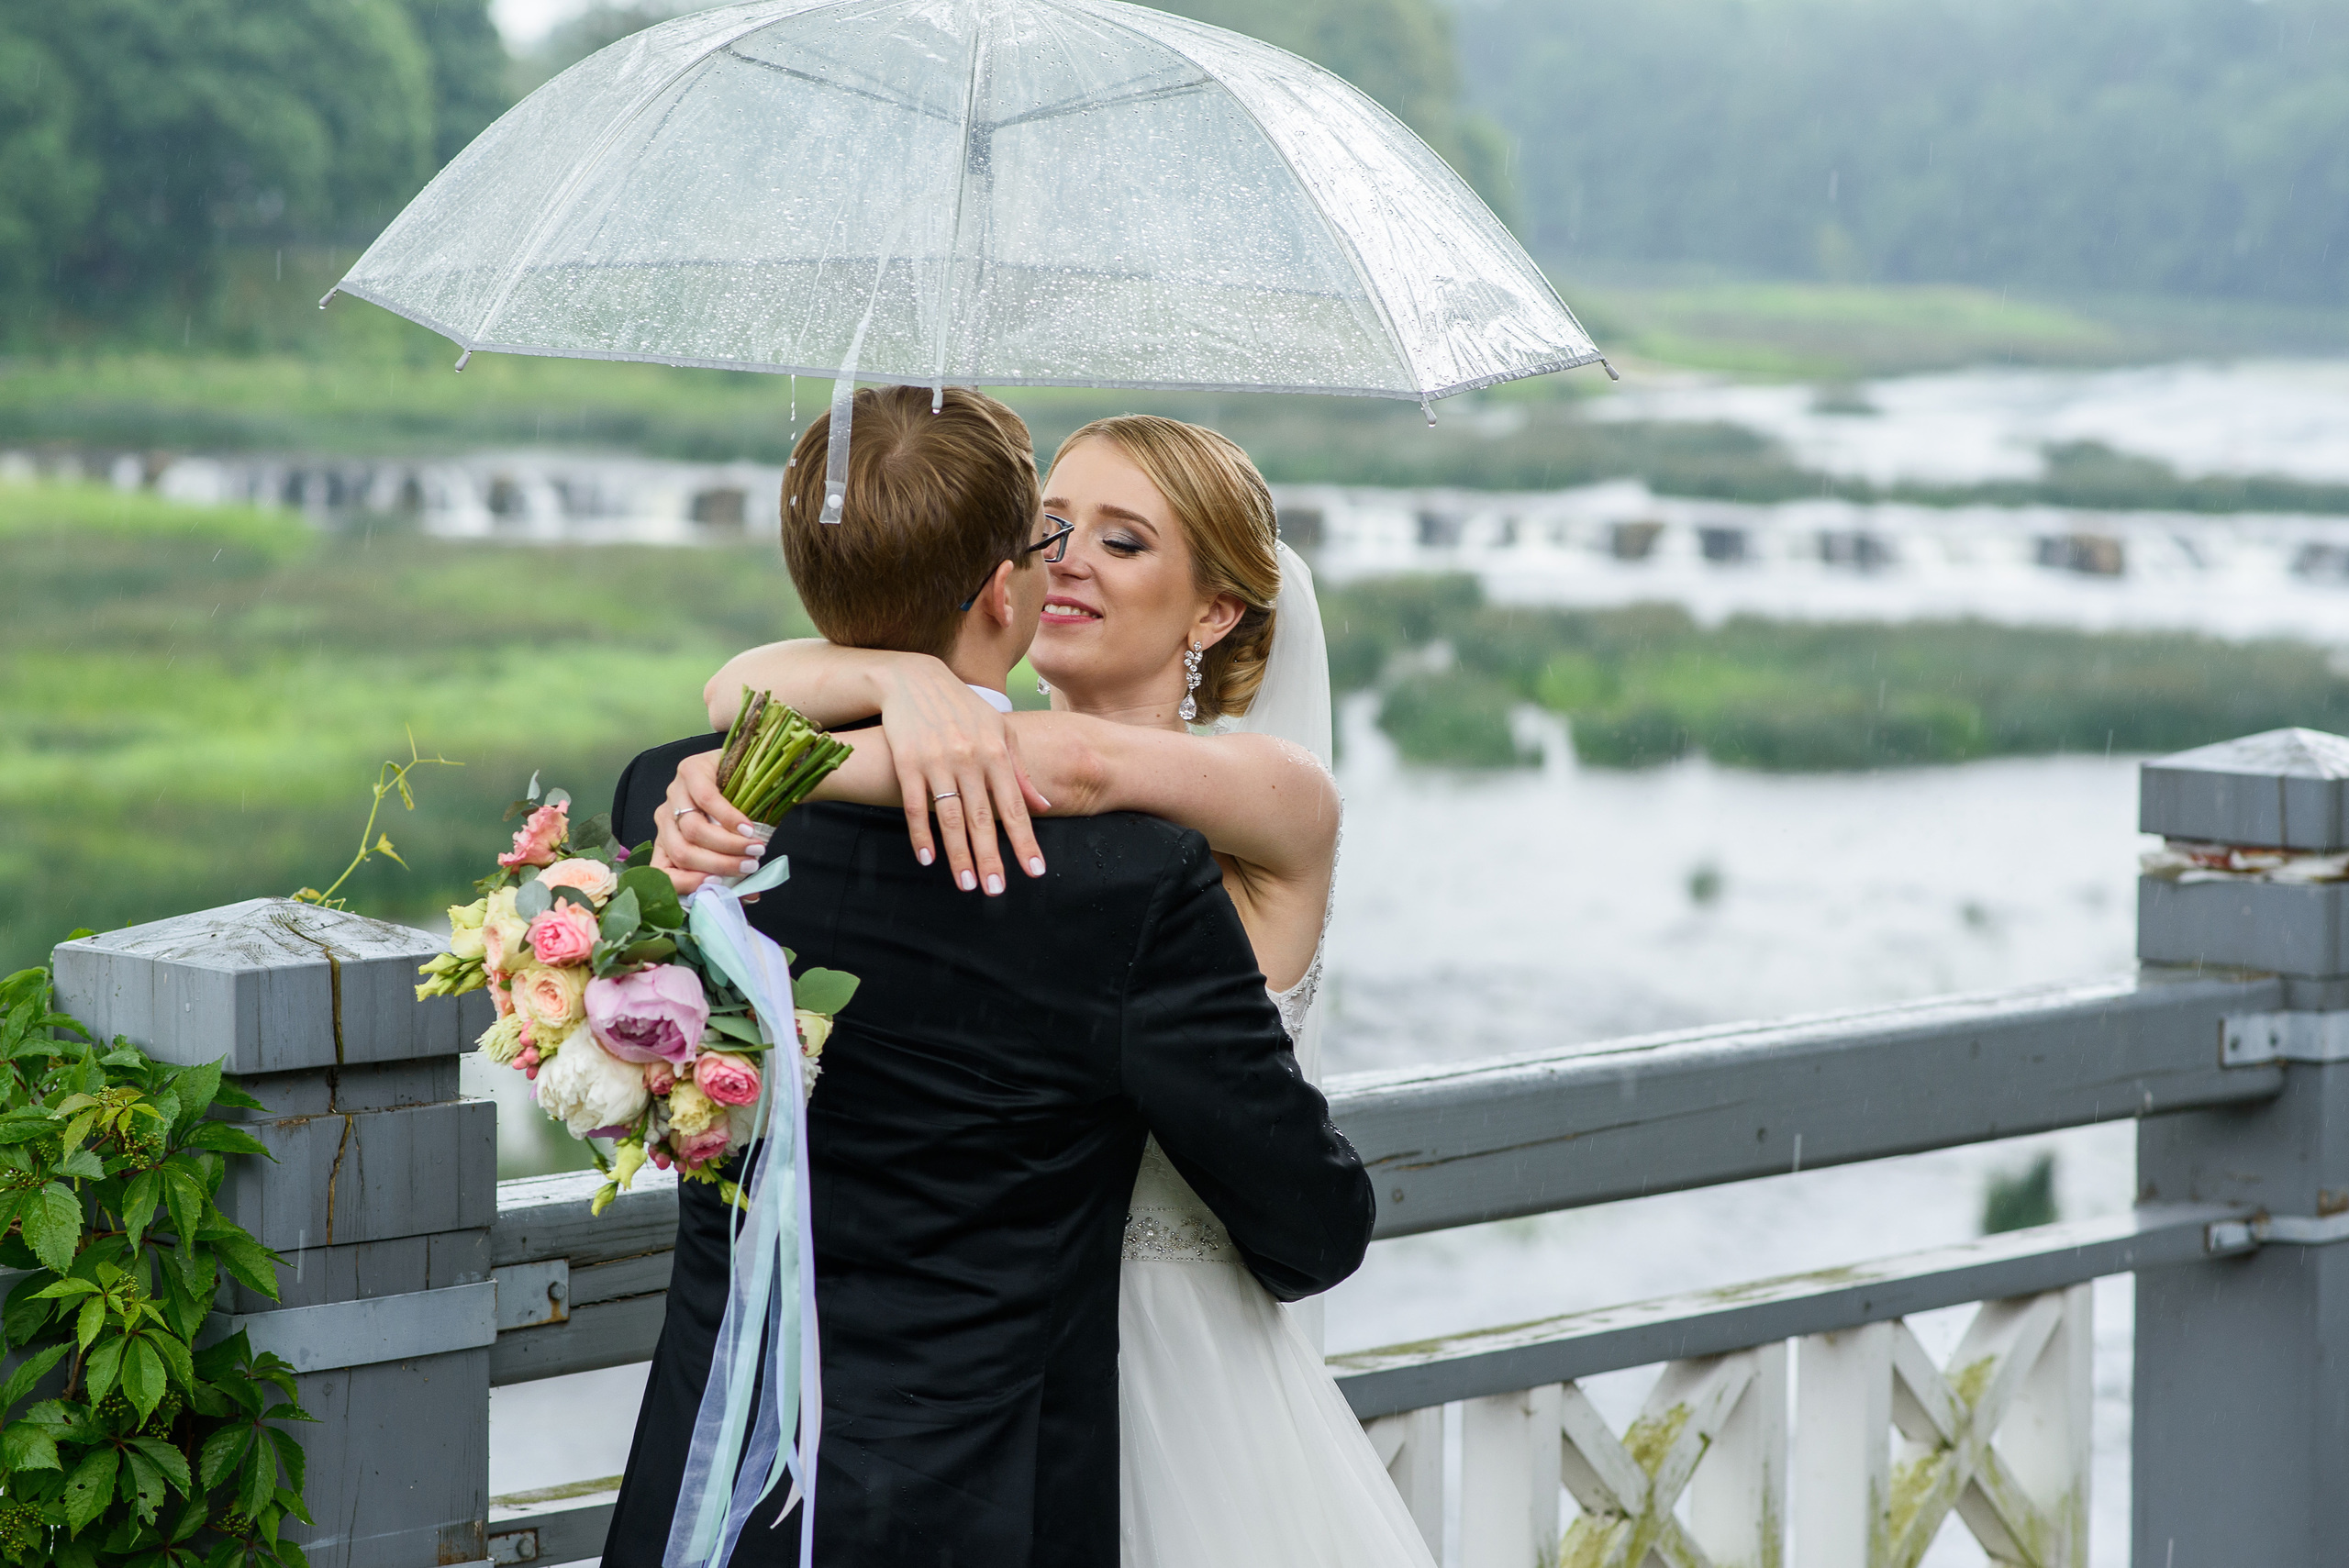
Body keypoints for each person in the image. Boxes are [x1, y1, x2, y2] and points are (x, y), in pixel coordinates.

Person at [599, 385, 1373, 1568]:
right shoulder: (1088, 862)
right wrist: (904, 693)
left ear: (1217, 609)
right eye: (1050, 527)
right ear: (1007, 580)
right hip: (1005, 1424)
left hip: (1164, 1363)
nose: (1068, 559)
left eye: (1124, 541)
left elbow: (1080, 766)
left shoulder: (1260, 795)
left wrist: (781, 747)